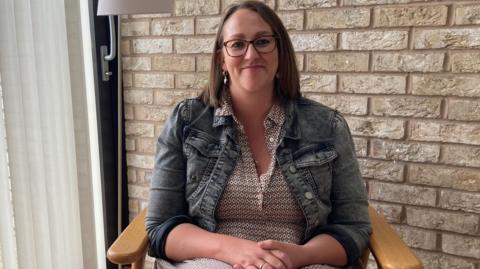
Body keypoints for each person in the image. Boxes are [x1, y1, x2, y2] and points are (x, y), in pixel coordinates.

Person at [146, 1, 371, 269]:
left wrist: (298, 256)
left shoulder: (327, 125)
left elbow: (353, 226)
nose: (251, 54)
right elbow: (161, 228)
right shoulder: (186, 120)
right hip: (211, 262)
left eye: (262, 41)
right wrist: (232, 250)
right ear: (222, 59)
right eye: (237, 44)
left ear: (280, 52)